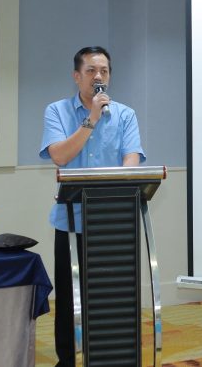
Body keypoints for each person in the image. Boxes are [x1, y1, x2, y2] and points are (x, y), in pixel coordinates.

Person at [40, 46, 146, 367]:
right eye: (91, 71)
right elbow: (59, 156)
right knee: (70, 297)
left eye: (104, 71)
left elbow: (130, 164)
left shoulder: (125, 115)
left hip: (112, 222)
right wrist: (91, 120)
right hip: (70, 220)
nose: (98, 76)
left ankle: (109, 357)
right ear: (77, 76)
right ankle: (68, 361)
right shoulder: (56, 111)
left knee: (112, 297)